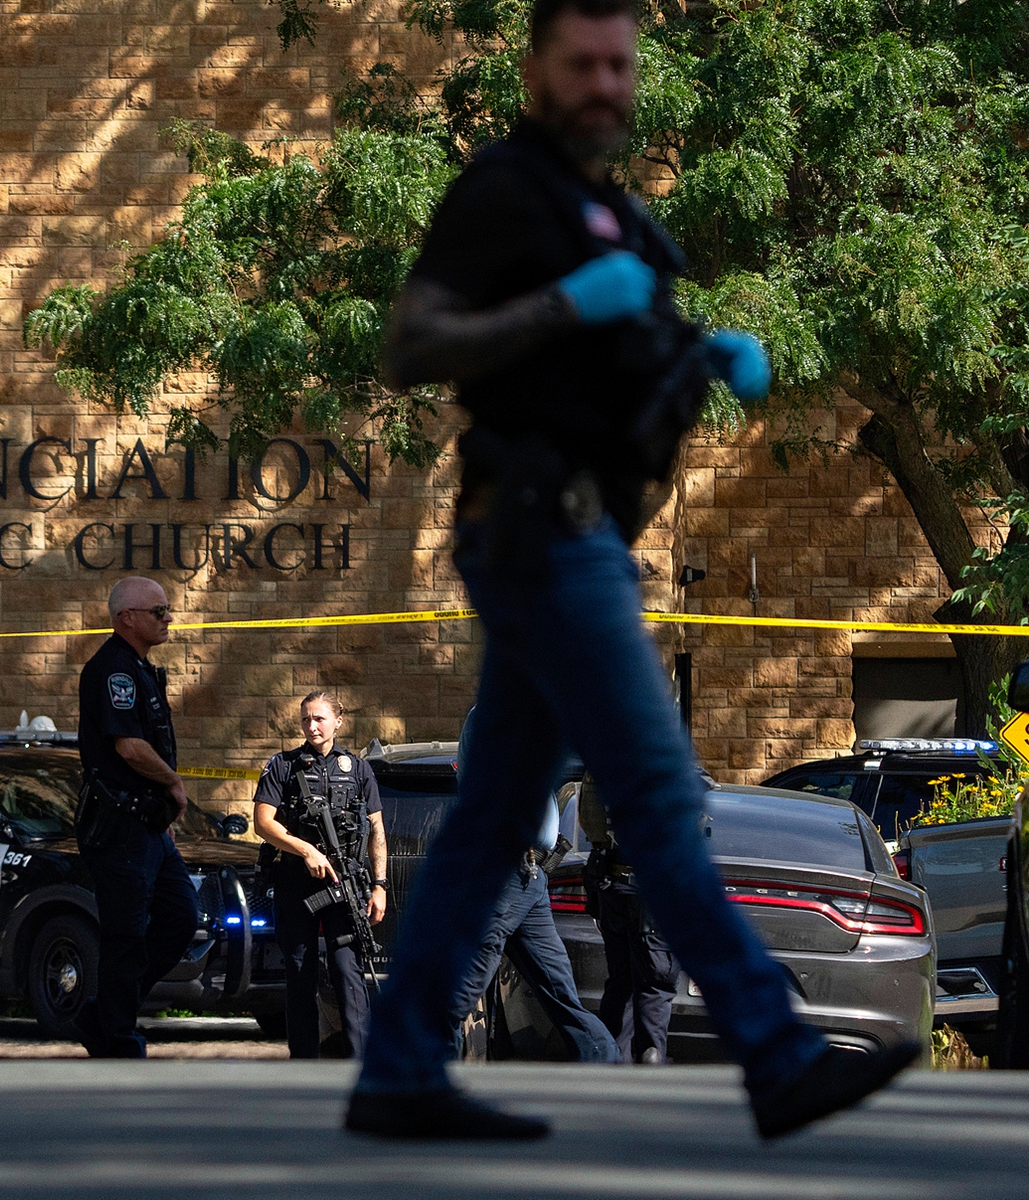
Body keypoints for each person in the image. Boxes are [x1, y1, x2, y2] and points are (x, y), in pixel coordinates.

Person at [347, 0, 917, 1141]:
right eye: (582, 62)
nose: (605, 82)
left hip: (581, 532)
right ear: (535, 70)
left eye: (619, 63)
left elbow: (619, 365)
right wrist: (560, 303)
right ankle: (773, 1049)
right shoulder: (505, 193)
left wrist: (700, 352)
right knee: (659, 797)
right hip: (540, 531)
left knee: (489, 815)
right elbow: (411, 343)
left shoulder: (615, 214)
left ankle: (399, 1068)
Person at [72, 576, 199, 1058]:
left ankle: (104, 1015)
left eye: (167, 610)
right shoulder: (113, 671)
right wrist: (172, 782)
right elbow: (128, 746)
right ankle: (119, 1038)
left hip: (149, 825)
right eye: (158, 611)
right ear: (127, 617)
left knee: (180, 917)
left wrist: (163, 800)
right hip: (121, 825)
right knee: (125, 933)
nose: (168, 618)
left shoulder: (142, 670)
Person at [444, 714, 617, 1063]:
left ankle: (604, 1062)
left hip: (530, 875)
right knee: (467, 978)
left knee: (557, 988)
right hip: (506, 870)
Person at [252, 691, 385, 1059]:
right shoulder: (283, 765)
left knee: (347, 971)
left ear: (338, 722)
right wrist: (306, 850)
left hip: (345, 884)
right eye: (306, 719)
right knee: (300, 972)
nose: (311, 726)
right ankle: (304, 1064)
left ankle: (361, 1063)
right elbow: (263, 824)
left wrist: (380, 885)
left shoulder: (358, 769)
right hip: (296, 882)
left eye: (320, 719)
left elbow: (377, 831)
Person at [579, 776, 677, 1063]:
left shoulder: (597, 770)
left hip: (611, 884)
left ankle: (614, 1061)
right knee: (655, 983)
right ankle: (651, 1058)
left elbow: (588, 823)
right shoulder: (656, 764)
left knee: (621, 980)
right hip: (648, 889)